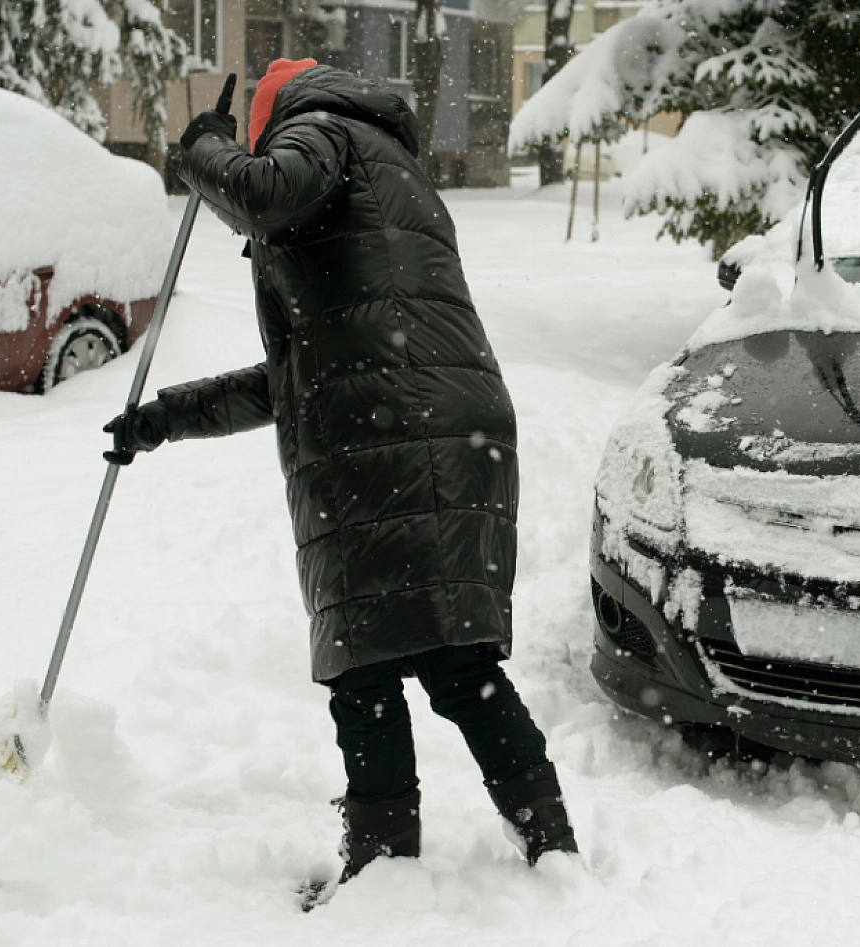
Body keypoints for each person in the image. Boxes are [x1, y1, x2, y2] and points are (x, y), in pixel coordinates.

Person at [102, 59, 578, 887]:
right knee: (449, 660)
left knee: (369, 669)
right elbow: (300, 376)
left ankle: (386, 870)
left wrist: (202, 151)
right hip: (428, 421)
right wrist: (165, 418)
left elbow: (264, 190)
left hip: (390, 431)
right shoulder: (380, 166)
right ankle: (548, 846)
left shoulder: (323, 131)